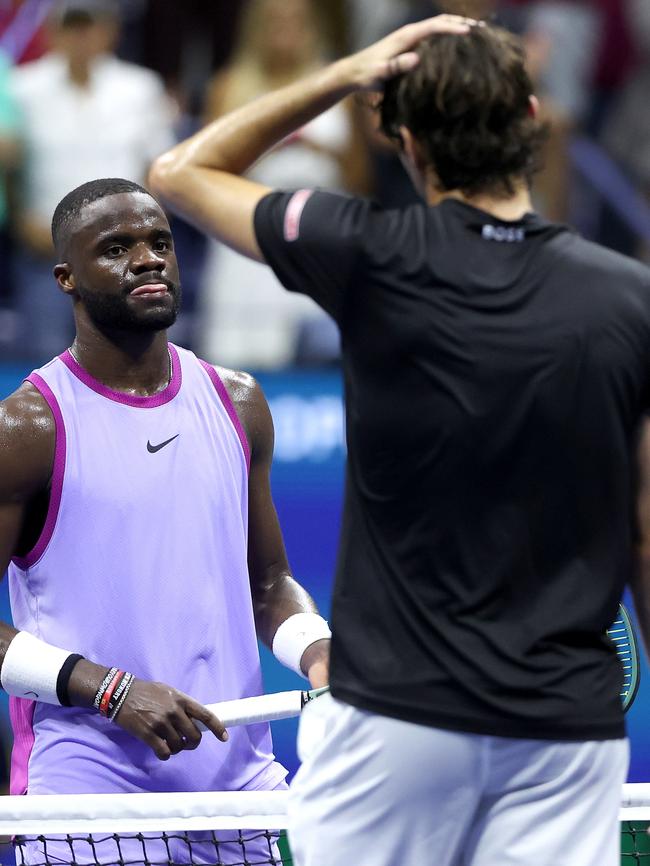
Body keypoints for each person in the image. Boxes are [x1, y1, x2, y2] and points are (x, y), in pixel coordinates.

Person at [149, 14, 650, 866]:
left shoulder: (367, 251)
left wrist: (345, 71)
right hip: (567, 731)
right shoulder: (631, 298)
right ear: (533, 117)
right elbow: (644, 527)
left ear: (403, 138)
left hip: (396, 721)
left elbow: (180, 170)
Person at [0, 177, 330, 864]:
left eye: (159, 243)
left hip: (237, 799)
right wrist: (110, 690)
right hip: (88, 804)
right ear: (65, 278)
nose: (148, 259)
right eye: (116, 248)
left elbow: (269, 585)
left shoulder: (238, 402)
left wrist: (320, 655)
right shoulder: (26, 428)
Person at [198, 0, 368, 369]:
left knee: (324, 355)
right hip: (245, 233)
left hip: (318, 232)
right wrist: (266, 150)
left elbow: (361, 179)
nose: (286, 33)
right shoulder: (228, 87)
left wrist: (320, 150)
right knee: (240, 360)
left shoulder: (339, 87)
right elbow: (201, 174)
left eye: (296, 23)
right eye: (276, 23)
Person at [9, 0, 175, 360]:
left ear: (110, 30)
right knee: (41, 354)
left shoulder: (140, 88)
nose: (81, 37)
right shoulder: (23, 88)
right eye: (72, 26)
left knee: (132, 350)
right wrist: (21, 222)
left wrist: (148, 234)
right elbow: (9, 167)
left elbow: (160, 168)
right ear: (53, 32)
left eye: (90, 26)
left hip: (123, 250)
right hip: (46, 248)